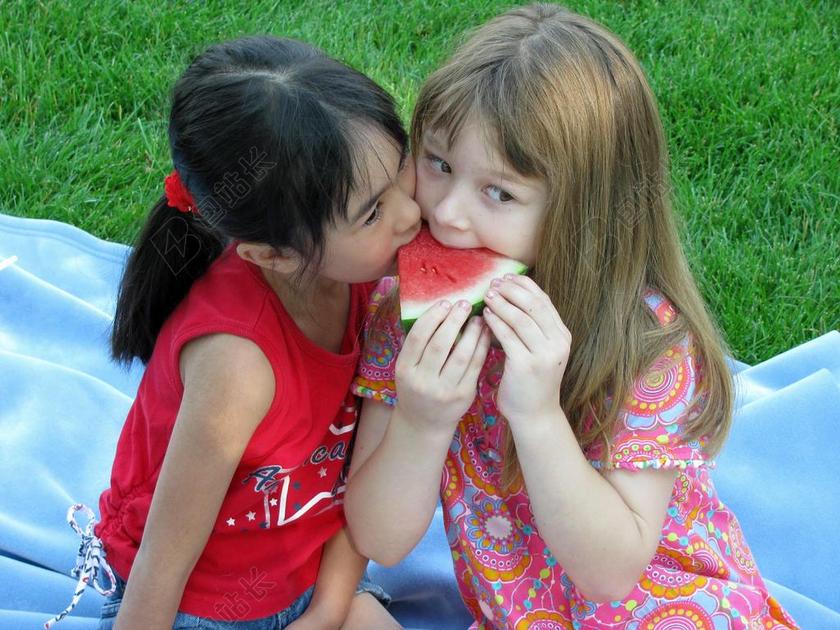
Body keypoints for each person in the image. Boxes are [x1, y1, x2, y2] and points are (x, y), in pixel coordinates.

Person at [344, 5, 797, 629]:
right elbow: (380, 540)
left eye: (499, 192)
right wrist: (420, 422)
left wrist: (537, 416)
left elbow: (610, 575)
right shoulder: (405, 312)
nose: (447, 213)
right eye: (439, 164)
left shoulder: (646, 343)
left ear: (583, 209)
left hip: (671, 611)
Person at [47, 35, 419, 630]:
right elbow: (164, 563)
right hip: (205, 607)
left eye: (403, 170)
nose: (412, 214)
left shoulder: (368, 279)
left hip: (319, 571)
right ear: (273, 255)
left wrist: (328, 610)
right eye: (373, 211)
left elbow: (359, 473)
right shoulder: (238, 364)